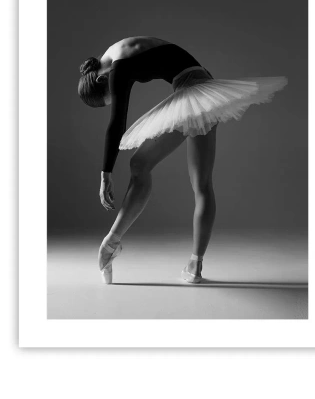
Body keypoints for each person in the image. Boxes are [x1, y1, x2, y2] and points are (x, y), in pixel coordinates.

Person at [78, 36, 287, 284]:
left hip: (194, 90)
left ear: (102, 79)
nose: (116, 92)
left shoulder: (119, 66)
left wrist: (105, 174)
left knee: (141, 165)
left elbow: (117, 122)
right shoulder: (119, 52)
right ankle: (195, 265)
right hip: (201, 86)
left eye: (110, 95)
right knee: (201, 183)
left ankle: (110, 245)